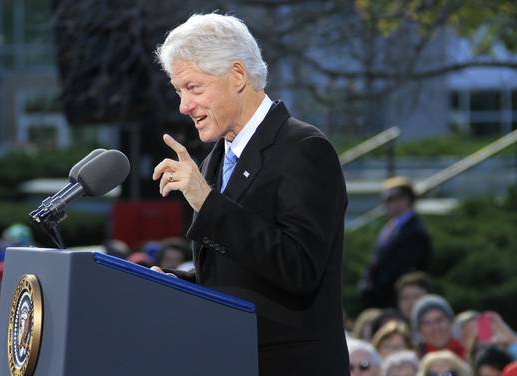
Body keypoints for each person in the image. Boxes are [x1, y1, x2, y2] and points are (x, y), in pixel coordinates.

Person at [151, 13, 349, 375]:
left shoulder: (304, 148)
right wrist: (176, 284)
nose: (183, 106)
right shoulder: (215, 160)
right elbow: (243, 274)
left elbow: (299, 268)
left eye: (194, 88)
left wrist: (207, 202)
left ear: (238, 76)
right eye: (179, 92)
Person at [359, 177, 432, 308]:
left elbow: (403, 272)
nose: (385, 203)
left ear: (406, 199)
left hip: (396, 302)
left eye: (390, 198)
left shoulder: (415, 231)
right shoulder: (390, 227)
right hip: (381, 299)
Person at [411, 294, 465, 359]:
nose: (435, 328)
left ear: (450, 322)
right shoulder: (414, 361)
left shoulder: (467, 353)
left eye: (439, 320)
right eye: (427, 323)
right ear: (420, 331)